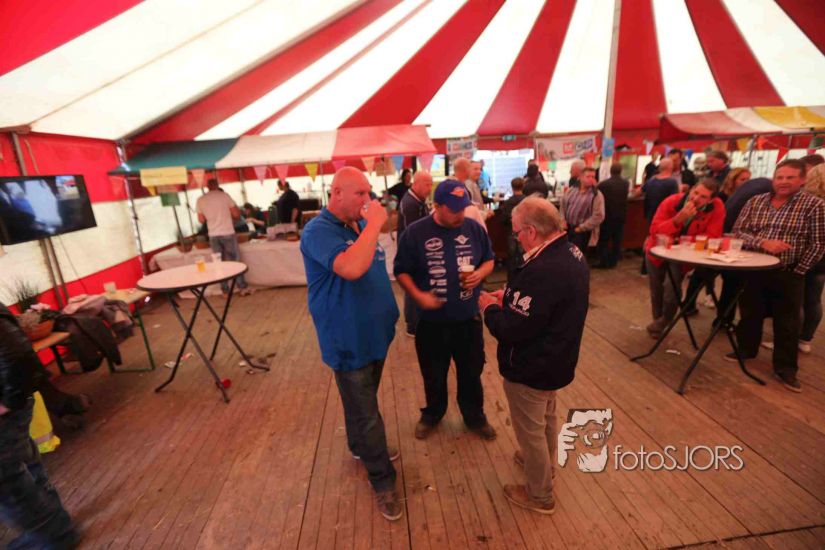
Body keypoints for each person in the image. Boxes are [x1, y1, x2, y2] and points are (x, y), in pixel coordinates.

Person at [299, 167, 403, 521]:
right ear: (336, 194)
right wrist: (373, 224)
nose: (367, 199)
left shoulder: (355, 224)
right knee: (367, 412)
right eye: (360, 193)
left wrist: (370, 223)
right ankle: (382, 480)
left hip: (374, 333)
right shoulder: (318, 231)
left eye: (368, 192)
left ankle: (359, 446)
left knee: (361, 402)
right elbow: (351, 268)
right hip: (347, 338)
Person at [478, 197, 588, 515]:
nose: (516, 238)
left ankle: (540, 494)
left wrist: (490, 309)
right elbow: (542, 307)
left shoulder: (542, 270)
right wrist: (510, 297)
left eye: (516, 233)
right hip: (557, 358)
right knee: (546, 416)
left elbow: (513, 330)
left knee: (530, 430)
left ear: (531, 231)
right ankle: (544, 466)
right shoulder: (570, 252)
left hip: (531, 365)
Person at [394, 179, 497, 442]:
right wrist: (418, 295)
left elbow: (489, 259)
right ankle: (432, 414)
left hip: (468, 318)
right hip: (431, 321)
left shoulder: (473, 228)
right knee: (433, 374)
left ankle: (475, 417)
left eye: (463, 208)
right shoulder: (415, 233)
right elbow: (401, 271)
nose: (459, 215)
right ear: (436, 206)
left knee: (471, 373)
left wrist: (480, 273)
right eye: (453, 210)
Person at [731, 160, 825, 392]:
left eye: (790, 177)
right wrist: (762, 242)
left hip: (788, 271)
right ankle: (746, 350)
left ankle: (785, 369)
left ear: (802, 180)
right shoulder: (756, 201)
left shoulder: (814, 205)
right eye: (779, 177)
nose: (783, 182)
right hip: (754, 268)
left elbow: (819, 244)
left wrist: (798, 271)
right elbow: (738, 231)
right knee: (750, 313)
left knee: (788, 323)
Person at [1, 303, 79, 548]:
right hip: (13, 404)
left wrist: (7, 403)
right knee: (27, 467)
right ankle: (56, 528)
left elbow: (18, 357)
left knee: (9, 483)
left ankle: (50, 537)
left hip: (7, 409)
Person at [644, 179, 724, 338]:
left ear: (711, 200)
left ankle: (663, 321)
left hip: (682, 255)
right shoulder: (672, 202)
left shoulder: (716, 207)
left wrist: (681, 241)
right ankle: (658, 325)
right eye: (695, 192)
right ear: (691, 189)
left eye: (703, 197)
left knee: (671, 290)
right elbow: (654, 230)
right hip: (657, 250)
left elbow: (713, 236)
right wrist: (676, 220)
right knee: (656, 290)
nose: (696, 198)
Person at [196, 179, 251, 296]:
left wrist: (211, 216)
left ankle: (225, 290)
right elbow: (236, 214)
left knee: (218, 263)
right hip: (227, 232)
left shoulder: (200, 200)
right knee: (235, 260)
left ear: (207, 187)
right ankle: (242, 288)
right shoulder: (224, 196)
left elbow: (201, 220)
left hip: (213, 235)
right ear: (217, 185)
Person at [397, 171, 434, 336]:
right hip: (411, 252)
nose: (430, 188)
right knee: (413, 286)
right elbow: (414, 233)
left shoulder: (417, 200)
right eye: (427, 184)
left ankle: (415, 322)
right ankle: (413, 325)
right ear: (416, 184)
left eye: (431, 184)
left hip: (414, 251)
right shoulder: (410, 203)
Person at [798, 163, 825, 353]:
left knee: (796, 300)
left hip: (807, 254)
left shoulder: (811, 202)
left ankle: (789, 339)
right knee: (814, 299)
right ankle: (805, 340)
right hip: (823, 260)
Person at [559, 167, 605, 253]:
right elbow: (562, 205)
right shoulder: (571, 190)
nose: (591, 179)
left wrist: (581, 228)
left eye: (593, 177)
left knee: (578, 255)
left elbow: (599, 215)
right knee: (566, 253)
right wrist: (562, 220)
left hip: (582, 231)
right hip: (568, 228)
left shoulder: (596, 195)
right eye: (588, 177)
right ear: (580, 177)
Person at [595, 163, 630, 268]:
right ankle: (614, 262)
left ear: (610, 171)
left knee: (603, 240)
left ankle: (604, 262)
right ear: (621, 171)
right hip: (621, 216)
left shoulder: (603, 184)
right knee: (617, 240)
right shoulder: (626, 183)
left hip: (607, 215)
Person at [500, 178, 527, 280]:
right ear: (523, 186)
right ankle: (524, 278)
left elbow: (503, 220)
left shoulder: (508, 202)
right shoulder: (527, 201)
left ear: (512, 187)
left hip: (511, 231)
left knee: (511, 257)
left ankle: (511, 280)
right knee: (524, 255)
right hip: (525, 232)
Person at [452, 157, 490, 229]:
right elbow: (462, 209)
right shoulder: (455, 186)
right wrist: (484, 214)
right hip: (465, 226)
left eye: (480, 169)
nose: (479, 172)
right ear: (464, 170)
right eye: (475, 169)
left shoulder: (462, 184)